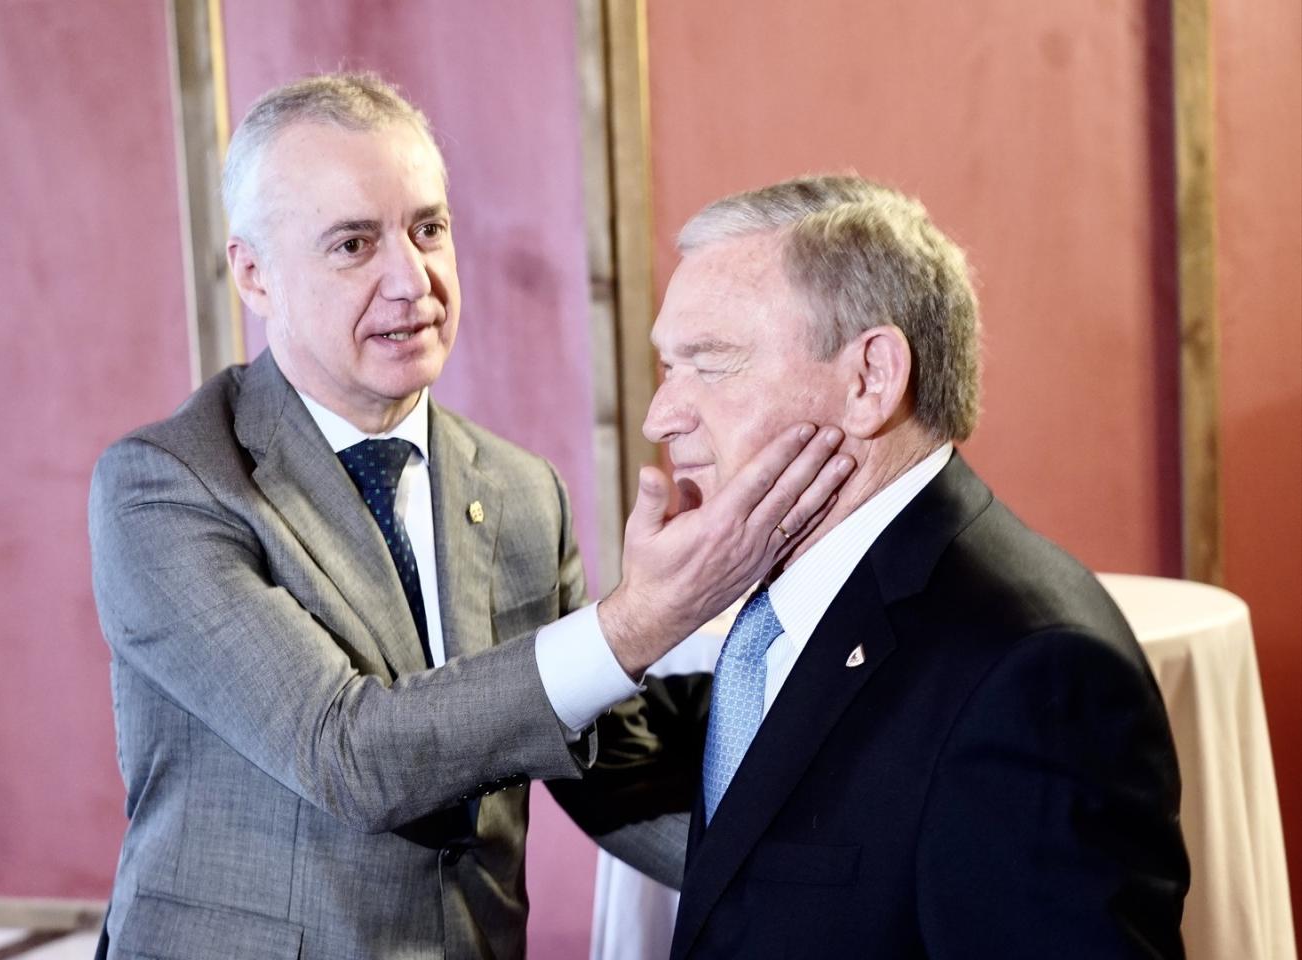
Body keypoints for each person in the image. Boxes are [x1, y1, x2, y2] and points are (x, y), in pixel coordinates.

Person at [86, 73, 850, 960]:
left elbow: (609, 769)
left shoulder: (525, 492)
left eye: (428, 229)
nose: (412, 280)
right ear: (253, 274)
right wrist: (644, 619)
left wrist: (850, 886)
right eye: (353, 244)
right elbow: (350, 755)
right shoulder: (168, 483)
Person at [555, 174, 1190, 958]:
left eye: (710, 364)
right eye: (667, 367)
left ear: (869, 380)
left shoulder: (1036, 677)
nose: (661, 415)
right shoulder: (782, 610)